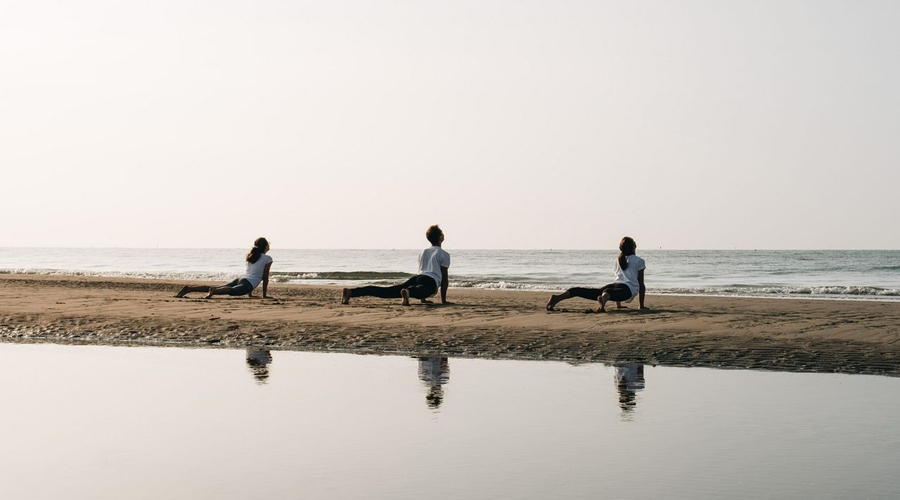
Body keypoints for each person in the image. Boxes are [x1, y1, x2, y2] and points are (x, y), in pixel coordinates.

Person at [341, 225, 451, 306]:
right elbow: (444, 279)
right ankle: (408, 292)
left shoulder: (424, 252)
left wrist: (423, 300)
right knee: (422, 290)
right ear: (440, 238)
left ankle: (352, 292)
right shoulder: (443, 254)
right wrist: (444, 301)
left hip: (417, 278)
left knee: (386, 291)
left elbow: (423, 270)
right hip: (430, 281)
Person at [546, 236, 647, 313]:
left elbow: (618, 278)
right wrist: (641, 305)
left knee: (583, 291)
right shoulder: (639, 261)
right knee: (610, 293)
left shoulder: (618, 259)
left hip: (614, 285)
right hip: (627, 290)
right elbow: (641, 284)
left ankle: (557, 297)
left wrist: (618, 305)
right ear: (634, 247)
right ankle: (603, 300)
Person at [175, 237, 273, 299]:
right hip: (248, 283)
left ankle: (189, 289)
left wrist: (250, 294)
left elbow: (253, 273)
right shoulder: (268, 258)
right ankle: (214, 291)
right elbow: (264, 277)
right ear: (265, 247)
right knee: (232, 291)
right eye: (268, 244)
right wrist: (264, 295)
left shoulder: (252, 256)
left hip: (241, 279)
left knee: (220, 288)